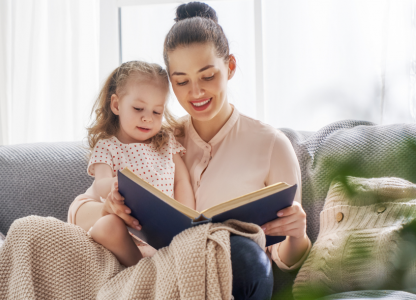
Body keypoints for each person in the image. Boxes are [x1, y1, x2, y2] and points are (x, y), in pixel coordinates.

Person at [69, 2, 312, 299]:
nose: (195, 93)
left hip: (234, 279)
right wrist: (108, 207)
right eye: (181, 81)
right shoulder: (156, 139)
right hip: (159, 275)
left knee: (247, 256)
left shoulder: (272, 145)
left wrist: (297, 235)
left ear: (230, 67)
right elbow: (78, 211)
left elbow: (280, 258)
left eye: (207, 76)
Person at [83, 60, 195, 267]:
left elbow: (181, 180)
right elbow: (100, 183)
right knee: (105, 226)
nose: (147, 119)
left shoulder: (166, 142)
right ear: (116, 105)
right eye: (138, 108)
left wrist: (186, 216)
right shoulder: (108, 146)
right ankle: (141, 271)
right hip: (127, 231)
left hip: (162, 231)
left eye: (156, 112)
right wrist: (117, 185)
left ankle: (151, 266)